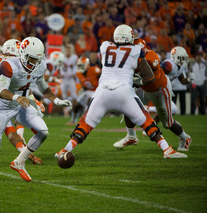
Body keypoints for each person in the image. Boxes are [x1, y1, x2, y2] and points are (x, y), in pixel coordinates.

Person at [57, 25, 187, 159]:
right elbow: (149, 78)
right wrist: (137, 82)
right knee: (146, 121)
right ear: (129, 37)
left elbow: (104, 66)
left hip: (103, 91)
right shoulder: (136, 50)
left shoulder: (105, 46)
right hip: (124, 91)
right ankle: (167, 149)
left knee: (86, 123)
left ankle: (64, 151)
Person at [0, 37, 72, 182]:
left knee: (43, 132)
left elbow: (43, 87)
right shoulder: (9, 65)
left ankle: (19, 162)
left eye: (37, 59)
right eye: (31, 58)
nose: (34, 62)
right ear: (22, 53)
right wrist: (17, 98)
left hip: (21, 104)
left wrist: (57, 100)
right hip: (3, 106)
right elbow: (1, 91)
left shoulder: (40, 66)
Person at [0, 39, 43, 181]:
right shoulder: (14, 64)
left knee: (27, 116)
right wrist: (34, 99)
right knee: (2, 138)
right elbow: (22, 87)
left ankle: (22, 155)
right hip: (1, 99)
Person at [113, 38, 192, 152]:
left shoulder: (151, 56)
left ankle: (185, 138)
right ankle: (131, 136)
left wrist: (135, 80)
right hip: (144, 89)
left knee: (167, 123)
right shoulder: (129, 58)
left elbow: (150, 79)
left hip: (159, 90)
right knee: (127, 106)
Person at [66, 55, 101, 126]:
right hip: (88, 91)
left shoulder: (94, 70)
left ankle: (89, 120)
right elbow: (85, 84)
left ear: (87, 65)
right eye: (79, 66)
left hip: (98, 91)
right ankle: (73, 120)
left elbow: (103, 75)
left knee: (89, 102)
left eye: (82, 66)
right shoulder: (78, 74)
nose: (80, 68)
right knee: (77, 105)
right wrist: (82, 89)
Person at [162, 46, 193, 115]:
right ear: (175, 57)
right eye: (181, 58)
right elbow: (158, 75)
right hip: (158, 88)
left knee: (172, 109)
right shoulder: (169, 65)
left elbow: (182, 80)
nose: (183, 60)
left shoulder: (181, 66)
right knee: (167, 109)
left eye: (184, 58)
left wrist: (188, 79)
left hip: (165, 89)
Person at [60, 45, 78, 117]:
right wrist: (58, 74)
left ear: (71, 51)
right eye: (67, 50)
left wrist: (75, 73)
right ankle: (66, 111)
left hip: (71, 79)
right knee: (64, 96)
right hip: (63, 79)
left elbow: (77, 66)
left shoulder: (74, 58)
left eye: (69, 50)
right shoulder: (61, 58)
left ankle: (74, 111)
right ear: (65, 51)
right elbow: (58, 66)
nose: (68, 52)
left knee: (74, 96)